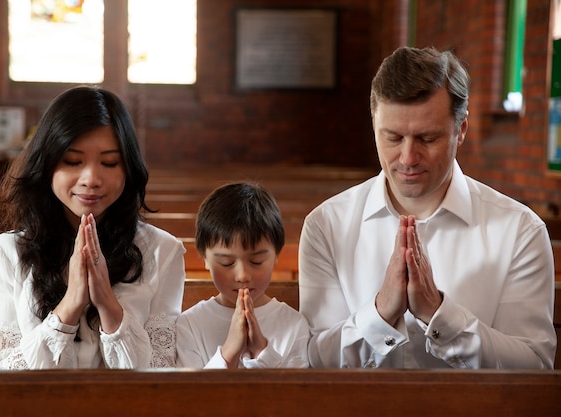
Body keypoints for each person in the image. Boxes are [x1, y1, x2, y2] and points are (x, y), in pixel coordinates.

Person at [298, 46, 556, 369]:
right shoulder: (326, 226)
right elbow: (315, 362)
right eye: (392, 137)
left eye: (427, 138)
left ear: (460, 129)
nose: (407, 158)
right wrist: (381, 313)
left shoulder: (520, 232)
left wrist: (439, 315)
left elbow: (534, 365)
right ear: (373, 124)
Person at [0, 86, 186, 369]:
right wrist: (70, 305)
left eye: (109, 162)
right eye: (73, 161)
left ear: (128, 168)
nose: (91, 178)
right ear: (47, 164)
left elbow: (160, 372)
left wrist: (108, 305)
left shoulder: (163, 251)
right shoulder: (5, 253)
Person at [176, 182, 310, 368]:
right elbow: (191, 395)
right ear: (204, 258)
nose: (243, 275)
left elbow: (292, 394)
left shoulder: (294, 325)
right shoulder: (189, 325)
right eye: (226, 263)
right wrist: (229, 352)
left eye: (256, 262)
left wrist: (261, 351)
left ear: (276, 256)